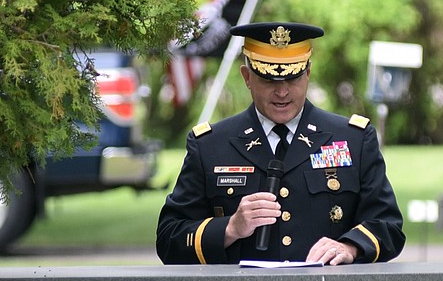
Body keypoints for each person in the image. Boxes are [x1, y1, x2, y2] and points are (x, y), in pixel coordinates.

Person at [156, 21, 405, 265]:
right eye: (269, 80)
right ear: (247, 77)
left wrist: (350, 247)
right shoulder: (210, 145)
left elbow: (388, 226)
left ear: (307, 74)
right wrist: (230, 228)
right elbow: (169, 238)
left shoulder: (353, 139)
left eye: (293, 79)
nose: (282, 92)